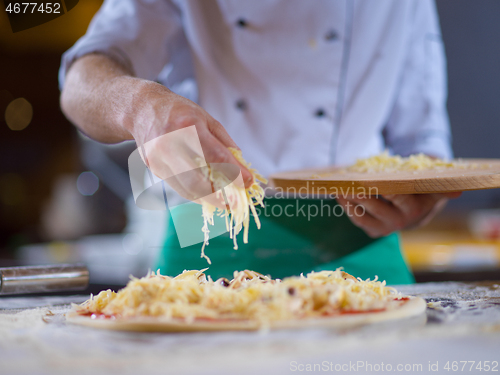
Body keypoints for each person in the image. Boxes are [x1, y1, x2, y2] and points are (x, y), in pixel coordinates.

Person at [59, 0, 459, 284]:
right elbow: (80, 84)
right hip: (206, 244)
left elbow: (423, 145)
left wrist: (420, 200)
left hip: (361, 244)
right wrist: (141, 106)